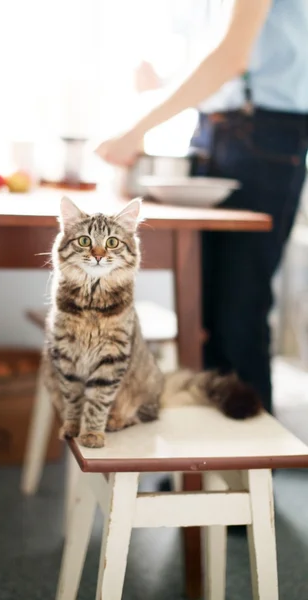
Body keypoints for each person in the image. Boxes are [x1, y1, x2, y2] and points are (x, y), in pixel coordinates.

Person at [96, 0, 308, 415]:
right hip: (218, 130)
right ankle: (212, 463)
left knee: (238, 310)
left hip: (264, 135)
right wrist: (161, 83)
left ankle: (250, 464)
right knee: (206, 315)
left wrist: (138, 129)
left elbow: (232, 57)